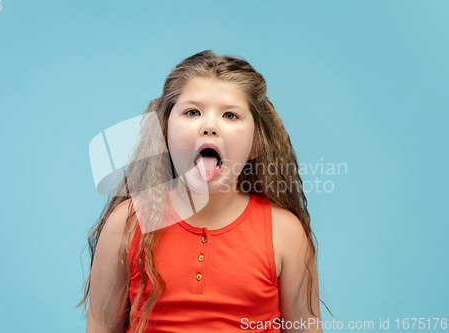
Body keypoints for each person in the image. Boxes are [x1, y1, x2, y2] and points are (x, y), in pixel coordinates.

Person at [79, 50, 325, 333]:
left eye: (230, 115)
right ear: (164, 132)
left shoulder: (284, 232)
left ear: (257, 143)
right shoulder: (128, 223)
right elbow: (100, 325)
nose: (209, 126)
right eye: (192, 112)